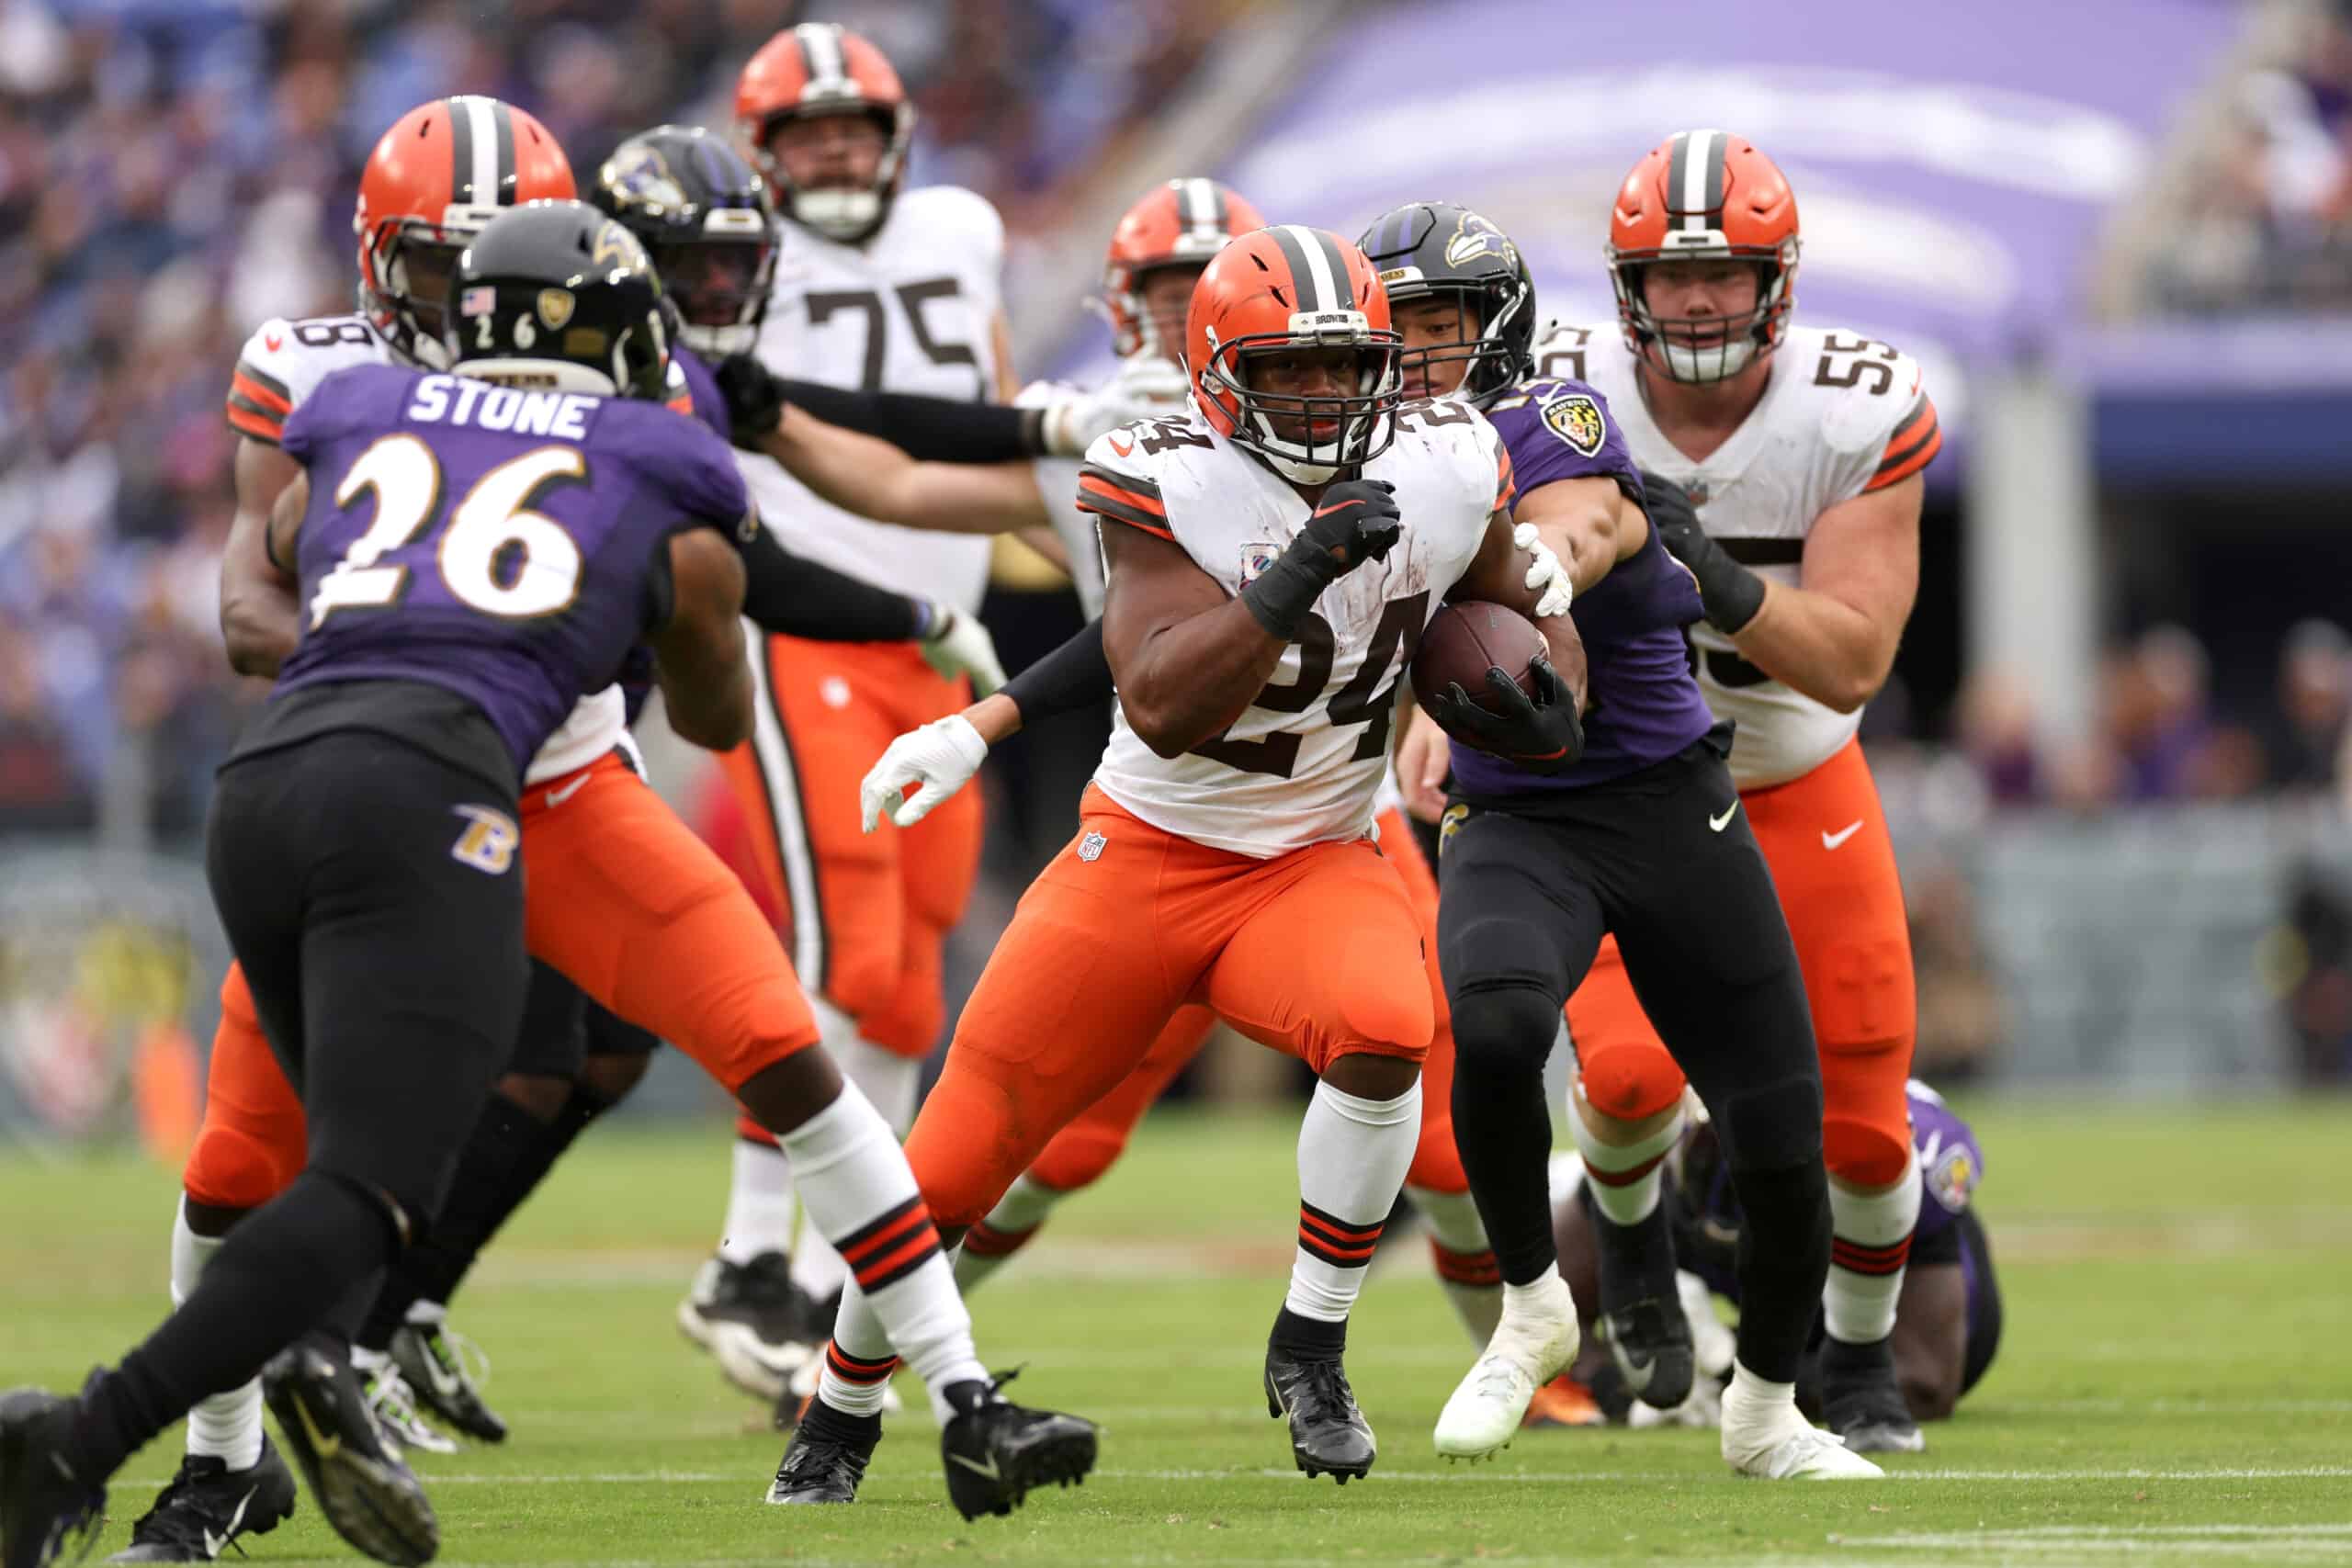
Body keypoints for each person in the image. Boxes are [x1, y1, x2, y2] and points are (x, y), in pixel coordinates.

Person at [771, 223, 1579, 1501]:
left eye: (1341, 365)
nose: (1319, 395)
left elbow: (1510, 611)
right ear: (1216, 372)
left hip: (1315, 849)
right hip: (1147, 851)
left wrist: (1546, 697)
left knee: (1385, 1024)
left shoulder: (1449, 462)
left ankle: (1311, 1343)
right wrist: (1300, 568)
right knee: (960, 1159)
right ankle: (839, 1400)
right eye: (1286, 370)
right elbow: (1156, 696)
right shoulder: (1165, 471)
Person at [1380, 199, 1883, 1479]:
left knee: (1780, 1132)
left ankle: (1768, 1408)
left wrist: (1539, 564)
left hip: (1668, 798)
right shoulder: (1356, 464)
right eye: (1393, 331)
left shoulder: (1552, 412)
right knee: (1494, 1025)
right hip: (1517, 811)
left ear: (1490, 329)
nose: (1413, 354)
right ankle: (1537, 1306)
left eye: (1436, 325)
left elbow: (1591, 514)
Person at [682, 24, 1130, 1392]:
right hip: (801, 620)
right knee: (852, 962)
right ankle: (753, 1259)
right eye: (805, 133)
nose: (831, 152)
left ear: (897, 140)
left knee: (907, 984)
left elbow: (982, 398)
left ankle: (824, 1270)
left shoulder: (958, 228)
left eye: (853, 129)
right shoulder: (729, 257)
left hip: (941, 636)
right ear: (760, 153)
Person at [1520, 129, 1942, 1452]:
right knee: (1632, 1077)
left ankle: (1860, 1359)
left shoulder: (1857, 407)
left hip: (1796, 773)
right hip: (1628, 783)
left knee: (1867, 1134)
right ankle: (1636, 1269)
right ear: (1624, 285)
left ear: (1783, 280)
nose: (1698, 300)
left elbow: (1855, 656)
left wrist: (1711, 568)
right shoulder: (1563, 392)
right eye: (1669, 274)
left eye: (1727, 272)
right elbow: (1496, 579)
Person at [1550, 1080, 2000, 1427]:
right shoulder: (1657, 1157)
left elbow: (1924, 1383)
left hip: (1898, 1318)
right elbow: (1554, 1314)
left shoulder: (1894, 1155)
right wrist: (1624, 1388)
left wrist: (1727, 1380)